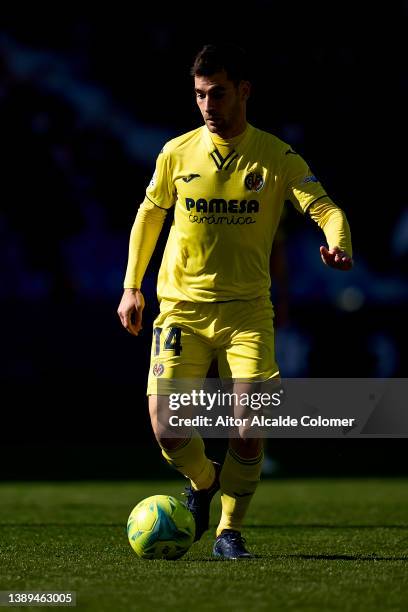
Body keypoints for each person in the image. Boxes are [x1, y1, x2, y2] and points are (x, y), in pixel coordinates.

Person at [117, 43, 353, 559]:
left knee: (249, 429)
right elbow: (149, 215)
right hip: (181, 308)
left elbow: (326, 208)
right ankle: (204, 482)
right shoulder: (177, 152)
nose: (207, 105)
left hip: (247, 313)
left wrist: (339, 242)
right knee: (165, 426)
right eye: (200, 95)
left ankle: (228, 531)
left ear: (243, 91)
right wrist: (132, 286)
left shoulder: (275, 156)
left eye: (218, 94)